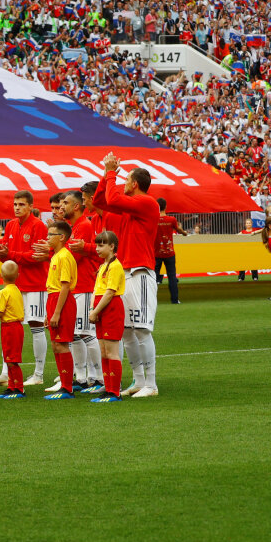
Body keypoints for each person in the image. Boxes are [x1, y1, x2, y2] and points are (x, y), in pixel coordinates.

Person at [99, 152, 160, 398]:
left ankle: (151, 384)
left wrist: (111, 171)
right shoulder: (126, 208)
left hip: (140, 271)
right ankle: (138, 380)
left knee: (142, 329)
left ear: (135, 184)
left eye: (126, 179)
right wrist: (107, 174)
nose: (122, 182)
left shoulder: (147, 203)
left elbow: (112, 198)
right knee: (126, 331)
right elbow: (102, 200)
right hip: (124, 273)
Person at [0, 190, 49, 387]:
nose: (17, 208)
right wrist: (1, 254)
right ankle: (5, 371)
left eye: (22, 204)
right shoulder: (10, 225)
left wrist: (11, 253)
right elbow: (10, 257)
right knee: (9, 326)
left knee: (36, 326)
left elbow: (37, 256)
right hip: (14, 286)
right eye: (15, 204)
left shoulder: (39, 226)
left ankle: (39, 373)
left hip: (35, 284)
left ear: (31, 206)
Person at [63, 190, 104, 392]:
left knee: (86, 333)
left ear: (77, 206)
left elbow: (74, 258)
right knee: (76, 334)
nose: (62, 207)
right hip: (75, 287)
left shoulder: (84, 226)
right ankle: (81, 378)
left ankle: (98, 378)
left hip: (85, 286)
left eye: (65, 203)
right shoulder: (75, 227)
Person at [87, 231, 126, 403]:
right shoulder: (103, 266)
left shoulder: (115, 266)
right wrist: (92, 308)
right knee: (103, 351)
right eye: (97, 245)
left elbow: (110, 293)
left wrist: (95, 311)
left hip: (111, 309)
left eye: (101, 245)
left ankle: (115, 392)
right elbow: (97, 290)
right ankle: (108, 388)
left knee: (111, 351)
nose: (97, 249)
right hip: (100, 309)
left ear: (112, 246)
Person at [42, 221, 78, 400]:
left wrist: (56, 312)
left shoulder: (64, 256)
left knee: (62, 343)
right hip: (53, 299)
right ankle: (64, 384)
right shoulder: (56, 255)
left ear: (61, 237)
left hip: (61, 300)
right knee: (56, 345)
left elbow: (65, 287)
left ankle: (68, 387)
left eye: (51, 235)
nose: (47, 238)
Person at [0, 261, 27, 399]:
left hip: (10, 327)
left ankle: (19, 388)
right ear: (17, 275)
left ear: (1, 275)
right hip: (15, 326)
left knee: (12, 359)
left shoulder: (3, 292)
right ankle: (12, 387)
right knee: (9, 358)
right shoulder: (16, 289)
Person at [155, 198, 187, 296]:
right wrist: (184, 233)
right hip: (169, 253)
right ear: (166, 207)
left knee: (153, 278)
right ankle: (175, 299)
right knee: (172, 277)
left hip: (156, 253)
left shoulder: (153, 219)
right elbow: (178, 229)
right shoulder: (171, 220)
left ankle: (151, 300)